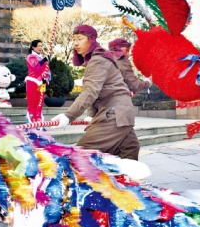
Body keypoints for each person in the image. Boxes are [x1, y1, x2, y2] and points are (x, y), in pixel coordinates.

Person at [51, 25, 140, 160]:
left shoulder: (98, 60)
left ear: (91, 40)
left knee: (78, 157)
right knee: (129, 151)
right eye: (74, 39)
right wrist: (92, 114)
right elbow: (98, 90)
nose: (75, 43)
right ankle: (130, 180)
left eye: (80, 39)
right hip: (121, 113)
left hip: (114, 114)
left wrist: (69, 115)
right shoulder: (99, 59)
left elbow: (91, 91)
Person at [25, 39, 51, 123]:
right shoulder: (30, 56)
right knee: (32, 101)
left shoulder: (41, 58)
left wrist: (46, 78)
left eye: (41, 46)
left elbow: (47, 71)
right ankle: (31, 118)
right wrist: (44, 60)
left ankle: (38, 117)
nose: (40, 47)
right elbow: (35, 67)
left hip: (42, 83)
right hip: (33, 81)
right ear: (33, 47)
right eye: (39, 46)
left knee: (40, 101)